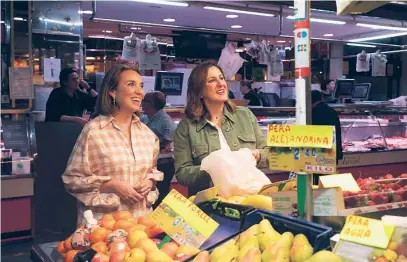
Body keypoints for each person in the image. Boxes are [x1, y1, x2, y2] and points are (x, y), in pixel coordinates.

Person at [62, 64, 163, 225]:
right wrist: (111, 185)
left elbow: (152, 172)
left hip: (140, 228)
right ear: (112, 92)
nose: (140, 91)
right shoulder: (94, 131)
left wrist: (150, 182)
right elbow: (72, 180)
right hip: (103, 229)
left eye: (141, 86)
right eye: (131, 84)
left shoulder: (148, 135)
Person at [174, 61, 269, 196]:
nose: (220, 84)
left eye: (221, 78)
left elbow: (269, 153)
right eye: (212, 80)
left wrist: (256, 155)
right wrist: (211, 168)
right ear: (199, 91)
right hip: (210, 207)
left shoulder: (245, 115)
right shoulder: (186, 127)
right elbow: (182, 173)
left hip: (250, 199)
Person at [141, 91, 176, 207]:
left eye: (144, 100)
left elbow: (167, 143)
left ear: (151, 104)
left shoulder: (165, 121)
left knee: (160, 197)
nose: (141, 102)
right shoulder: (146, 117)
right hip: (151, 163)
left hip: (163, 163)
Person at [312, 90, 343, 184]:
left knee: (317, 182)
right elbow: (337, 132)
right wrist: (338, 152)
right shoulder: (331, 111)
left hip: (316, 155)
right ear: (321, 98)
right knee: (328, 182)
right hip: (331, 152)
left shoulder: (312, 113)